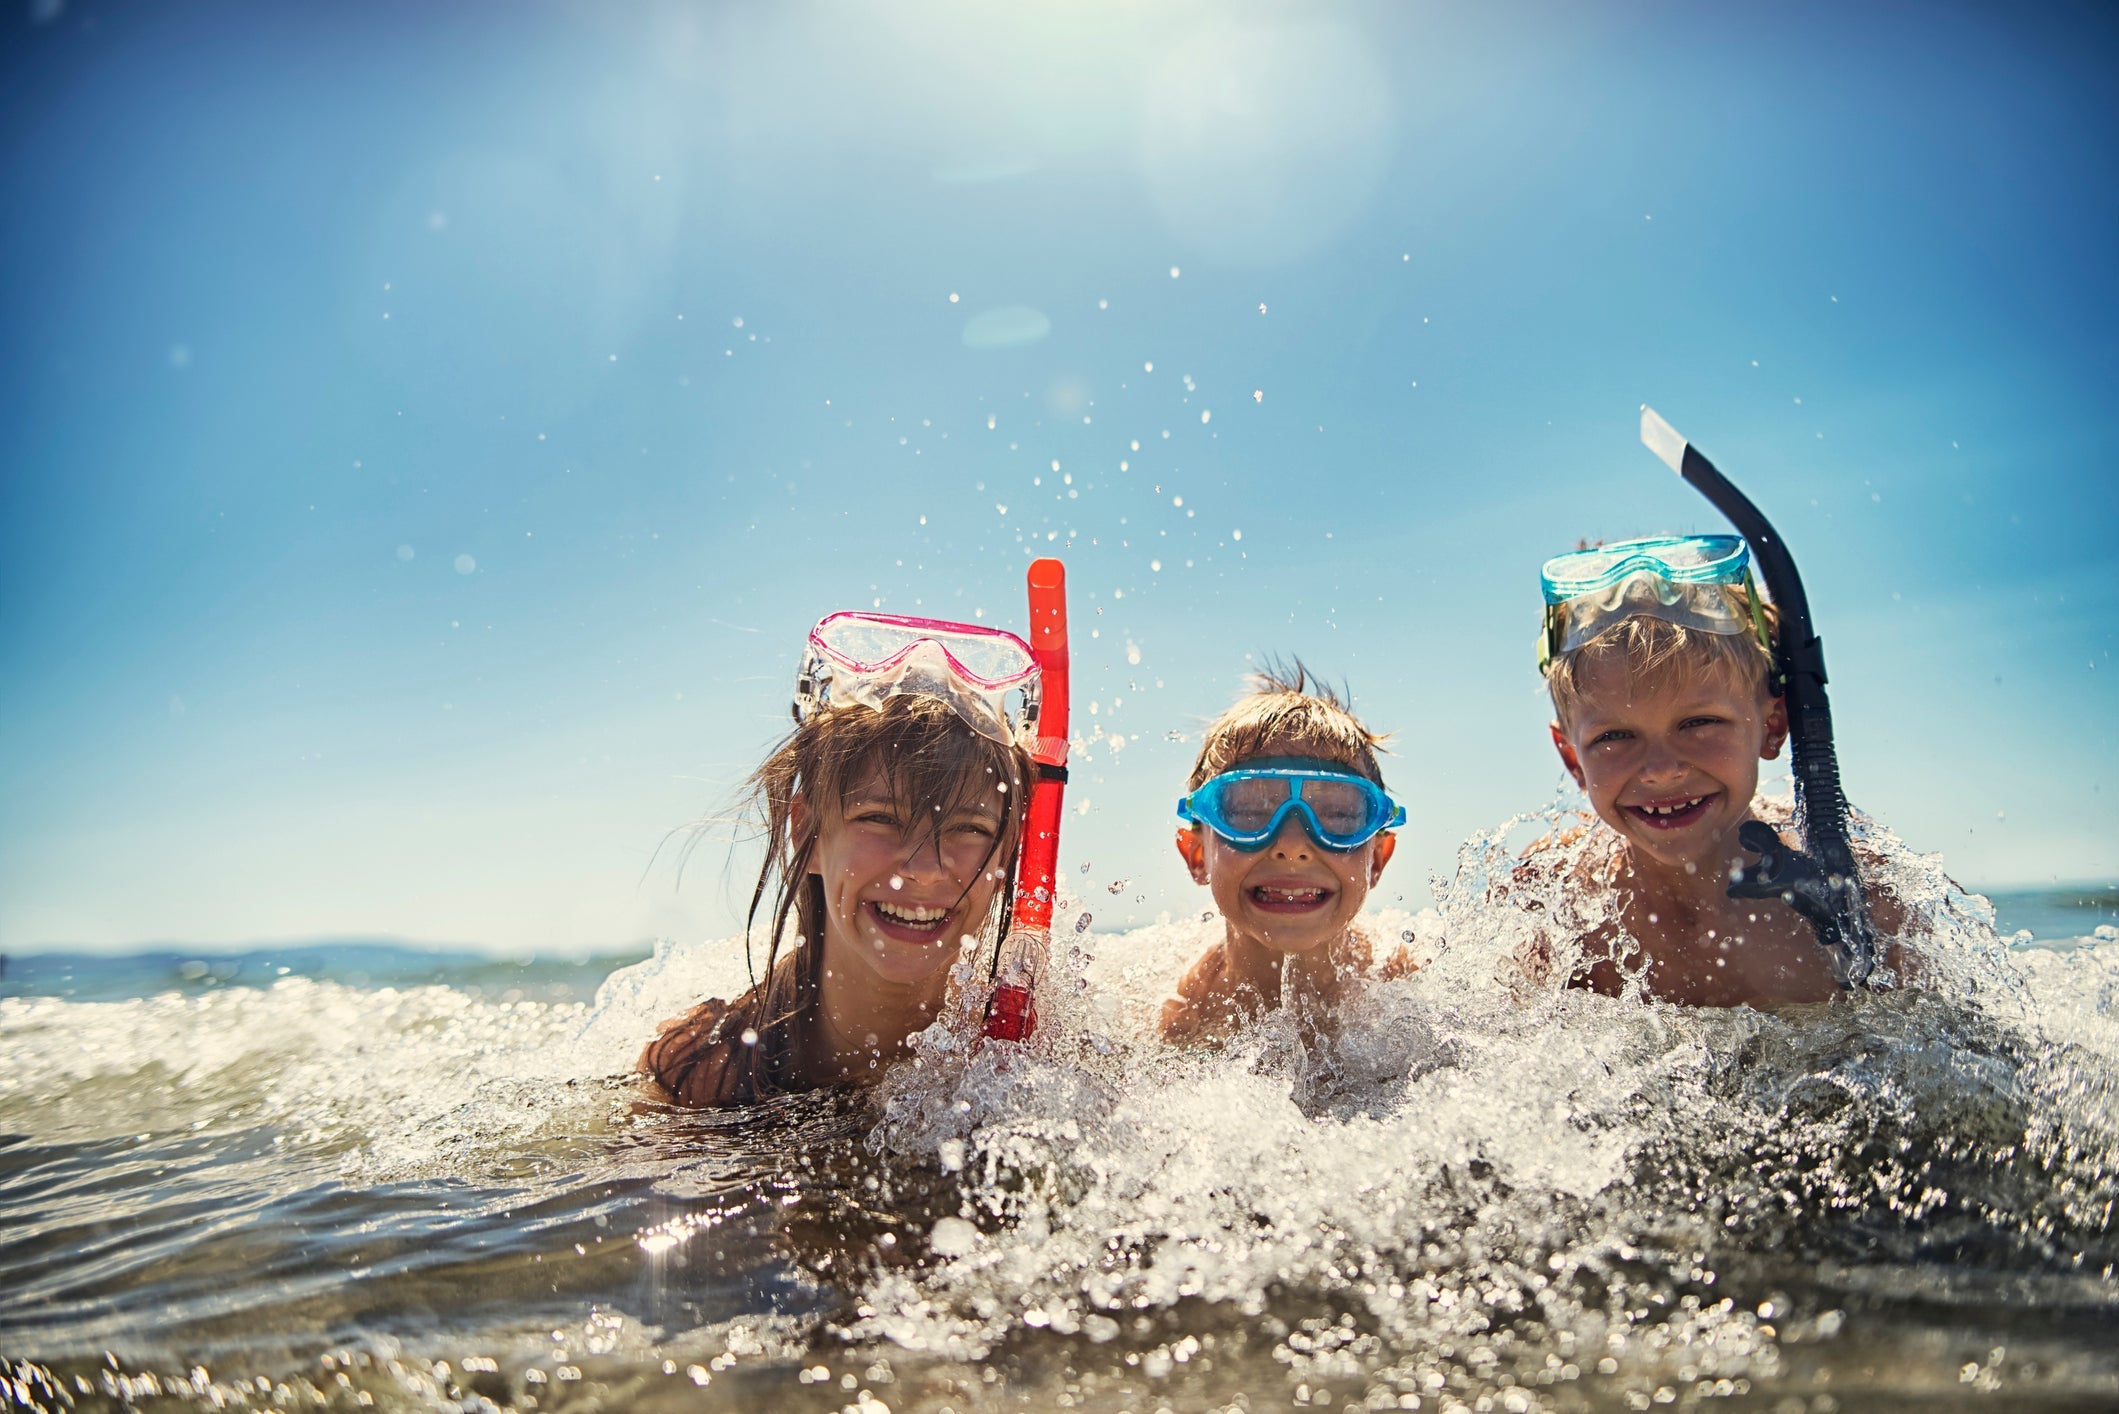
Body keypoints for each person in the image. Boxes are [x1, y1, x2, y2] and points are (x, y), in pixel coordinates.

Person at [640, 613, 1037, 1108]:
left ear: (1007, 851)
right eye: (881, 818)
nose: (925, 867)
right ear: (805, 830)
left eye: (969, 828)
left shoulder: (1041, 1061)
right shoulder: (699, 1073)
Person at [1526, 535, 1906, 1006]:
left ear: (1773, 725)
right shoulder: (1551, 902)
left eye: (1699, 723)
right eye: (1615, 737)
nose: (1661, 771)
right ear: (1571, 758)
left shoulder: (1867, 901)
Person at [1158, 665, 1412, 1045]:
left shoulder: (1405, 985)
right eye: (1248, 812)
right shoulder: (1183, 1017)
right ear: (1197, 854)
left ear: (1376, 859)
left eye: (1339, 815)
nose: (1292, 845)